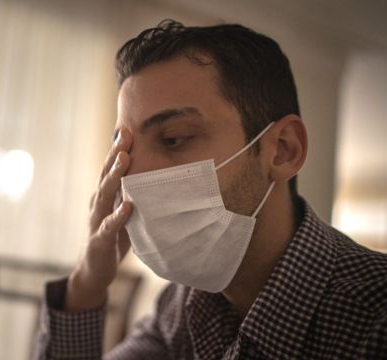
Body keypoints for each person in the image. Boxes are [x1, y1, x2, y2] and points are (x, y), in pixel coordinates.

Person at [33, 19, 387, 359]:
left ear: (282, 150)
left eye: (173, 139)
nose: (133, 180)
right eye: (125, 152)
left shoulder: (375, 321)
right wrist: (87, 285)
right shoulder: (181, 306)